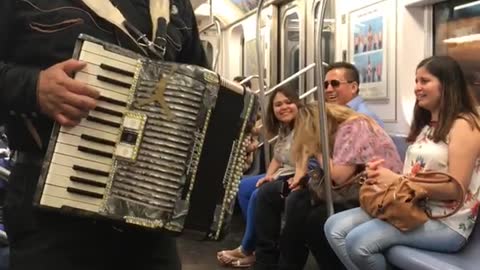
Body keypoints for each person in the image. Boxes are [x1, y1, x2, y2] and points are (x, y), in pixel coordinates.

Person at [0, 1, 253, 269]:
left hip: (150, 215)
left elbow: (205, 95)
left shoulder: (173, 5)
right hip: (50, 215)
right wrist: (33, 86)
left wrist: (230, 149)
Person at [324, 56, 480, 270]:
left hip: (446, 222)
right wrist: (381, 173)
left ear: (447, 84)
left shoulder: (465, 125)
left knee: (359, 243)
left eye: (424, 81)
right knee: (333, 226)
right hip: (413, 209)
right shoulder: (428, 126)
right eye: (416, 81)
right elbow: (416, 175)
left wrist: (398, 180)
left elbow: (456, 189)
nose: (417, 88)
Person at [253, 103, 402, 270]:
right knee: (294, 199)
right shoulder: (339, 130)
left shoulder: (353, 127)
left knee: (316, 220)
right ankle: (274, 263)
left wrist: (317, 146)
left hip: (381, 195)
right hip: (355, 190)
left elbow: (339, 176)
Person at [217, 87, 300, 268]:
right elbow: (278, 158)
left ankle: (248, 248)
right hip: (284, 173)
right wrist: (268, 176)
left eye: (288, 102)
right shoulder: (285, 129)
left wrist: (276, 180)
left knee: (260, 194)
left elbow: (308, 164)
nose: (283, 107)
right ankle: (255, 241)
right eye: (278, 104)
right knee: (245, 186)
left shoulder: (305, 127)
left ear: (298, 104)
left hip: (302, 178)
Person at [324, 62, 384, 127]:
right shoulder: (332, 114)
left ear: (353, 88)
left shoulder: (364, 119)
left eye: (335, 83)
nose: (328, 90)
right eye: (326, 85)